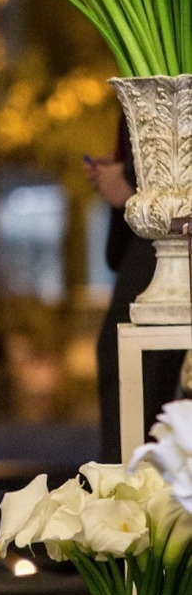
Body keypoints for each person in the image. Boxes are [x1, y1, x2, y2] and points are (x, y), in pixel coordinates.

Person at [85, 118, 183, 462]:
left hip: (170, 229)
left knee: (132, 362)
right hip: (156, 228)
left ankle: (131, 500)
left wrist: (133, 180)